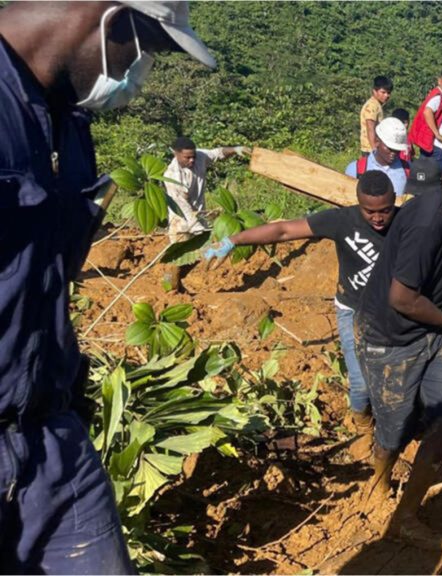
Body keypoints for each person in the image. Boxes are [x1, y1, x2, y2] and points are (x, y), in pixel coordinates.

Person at [0, 1, 215, 572]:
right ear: (112, 22)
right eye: (148, 53)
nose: (141, 76)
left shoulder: (69, 127)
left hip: (50, 432)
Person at [203, 172, 398, 461]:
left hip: (393, 313)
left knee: (395, 380)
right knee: (361, 384)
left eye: (385, 210)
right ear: (358, 205)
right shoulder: (342, 220)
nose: (379, 218)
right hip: (352, 310)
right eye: (370, 211)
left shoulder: (406, 223)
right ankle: (363, 427)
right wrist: (234, 240)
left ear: (394, 202)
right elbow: (283, 231)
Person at [355, 148, 442, 547]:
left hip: (431, 327)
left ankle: (405, 515)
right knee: (394, 431)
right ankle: (379, 479)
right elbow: (401, 297)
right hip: (390, 335)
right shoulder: (425, 222)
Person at [164, 136, 248, 242]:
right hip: (182, 223)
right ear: (176, 154)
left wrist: (236, 149)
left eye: (193, 156)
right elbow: (183, 206)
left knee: (202, 255)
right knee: (183, 255)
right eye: (187, 157)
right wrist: (199, 229)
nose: (192, 160)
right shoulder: (171, 175)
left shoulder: (199, 156)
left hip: (200, 215)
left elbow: (217, 153)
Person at [344, 117, 410, 196]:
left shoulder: (408, 169)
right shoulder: (355, 170)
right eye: (390, 148)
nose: (394, 153)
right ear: (376, 141)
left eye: (397, 149)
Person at [360, 75, 393, 156]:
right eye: (383, 92)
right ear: (374, 91)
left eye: (388, 93)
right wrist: (374, 149)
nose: (386, 95)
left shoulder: (377, 105)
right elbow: (370, 128)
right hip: (369, 149)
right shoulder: (372, 105)